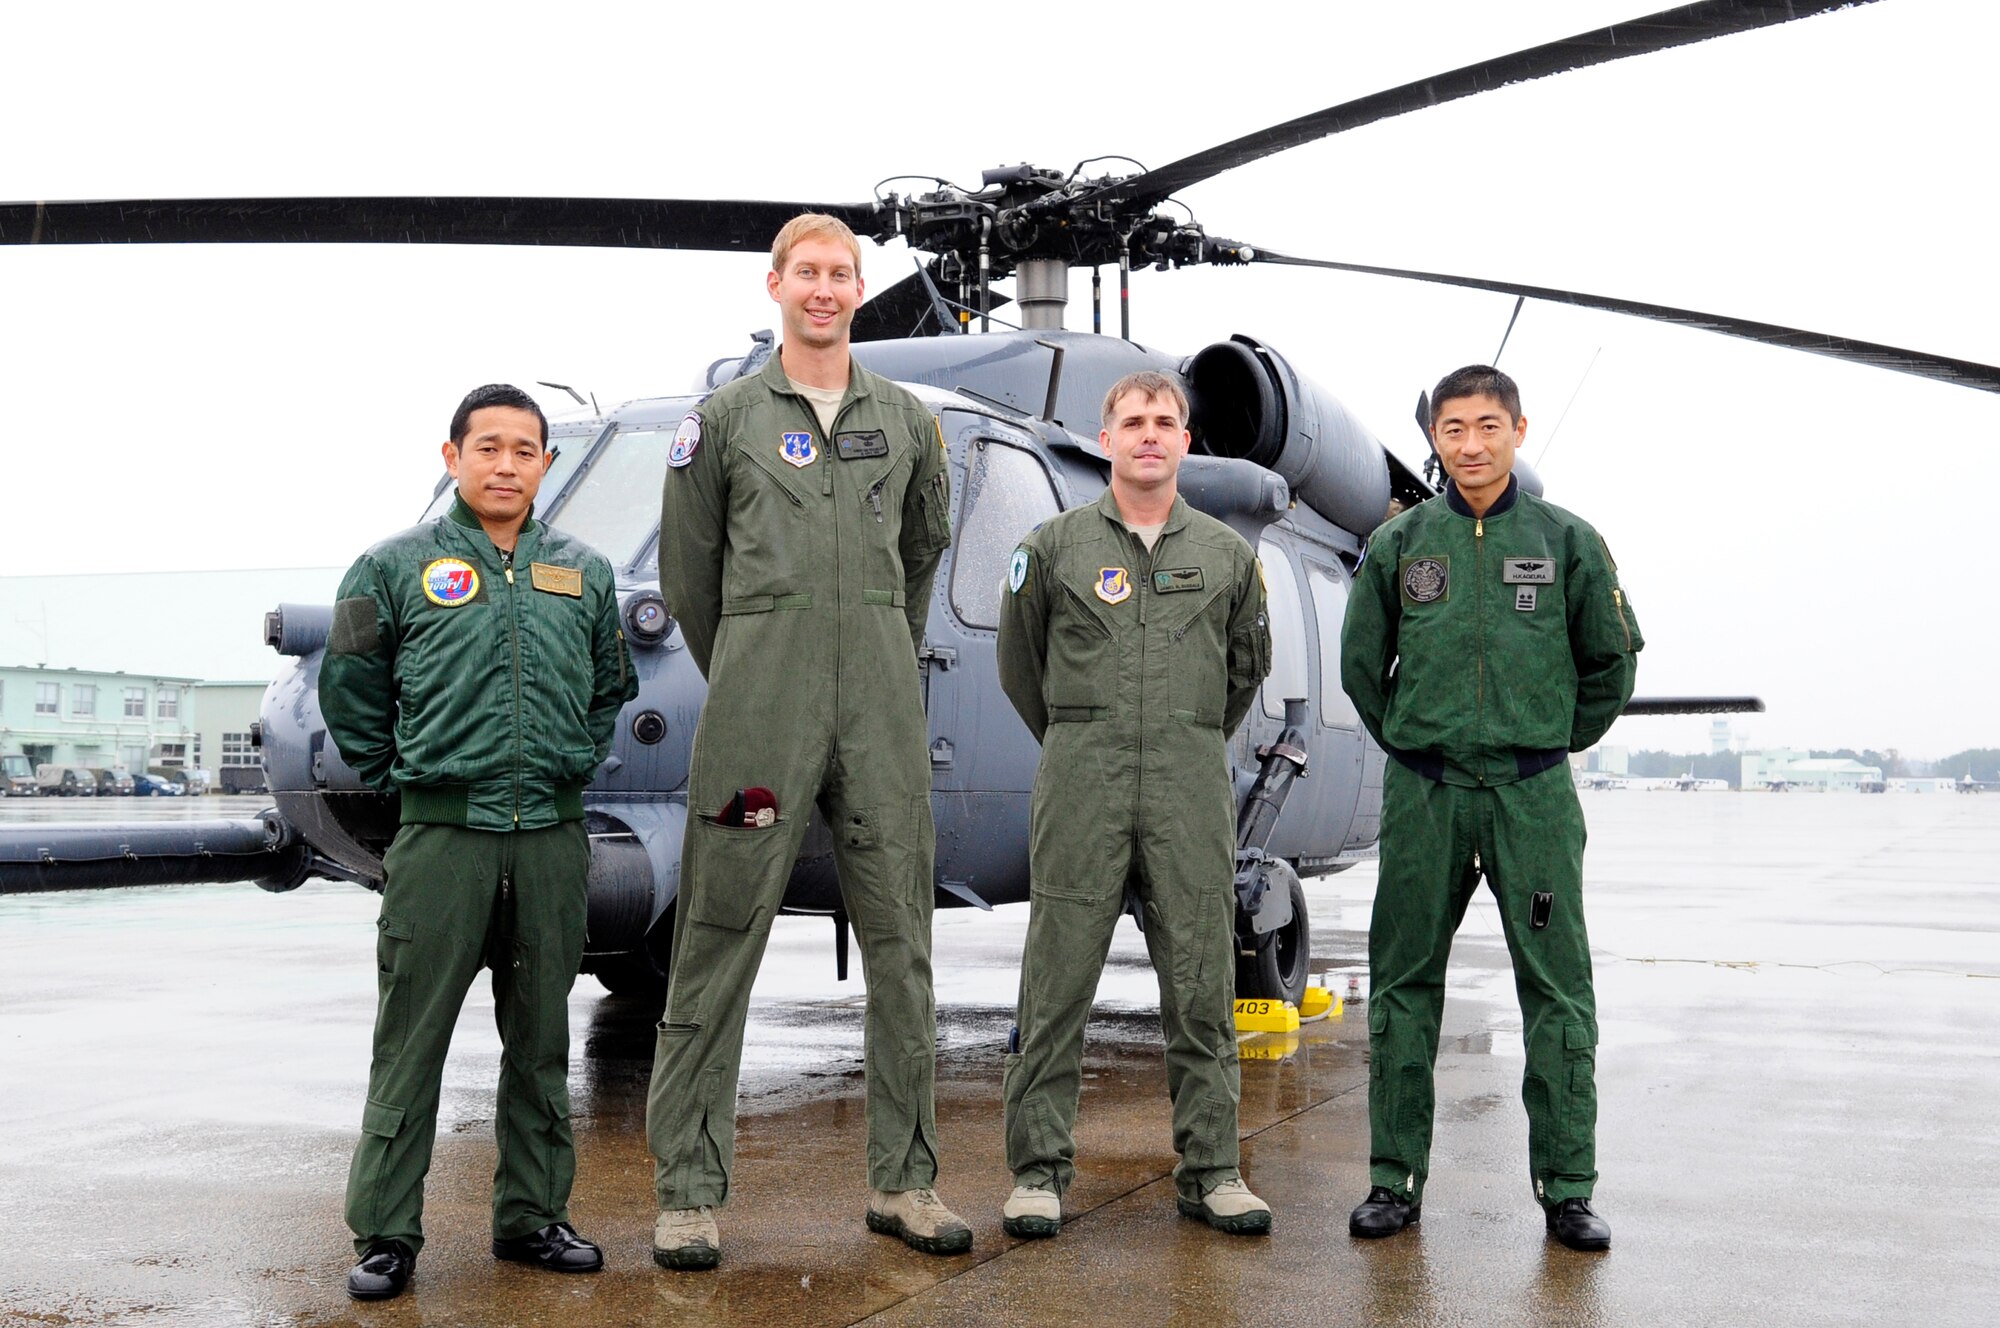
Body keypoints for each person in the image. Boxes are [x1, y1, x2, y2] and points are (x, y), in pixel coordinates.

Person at [647, 213, 962, 1270]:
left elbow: (921, 553)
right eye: (807, 272)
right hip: (758, 705)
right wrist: (756, 657)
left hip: (879, 705)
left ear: (859, 290)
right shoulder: (723, 422)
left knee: (902, 948)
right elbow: (690, 577)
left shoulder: (906, 420)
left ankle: (905, 1182)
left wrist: (873, 645)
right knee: (716, 939)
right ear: (775, 285)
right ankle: (688, 1193)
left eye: (841, 273)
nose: (824, 289)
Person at [321, 383, 638, 1300]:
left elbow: (608, 688)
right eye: (488, 447)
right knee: (411, 1040)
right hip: (442, 839)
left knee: (540, 1041)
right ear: (452, 456)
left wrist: (568, 763)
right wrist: (408, 778)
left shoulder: (584, 572)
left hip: (549, 838)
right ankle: (386, 1233)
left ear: (546, 463)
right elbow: (350, 686)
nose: (506, 465)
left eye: (524, 450)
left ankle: (533, 1217)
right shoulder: (389, 566)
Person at [1338, 364, 1643, 1252]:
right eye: (1453, 429)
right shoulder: (1401, 545)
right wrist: (1418, 742)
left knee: (1557, 991)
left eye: (1487, 427)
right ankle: (1393, 1180)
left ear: (1517, 431)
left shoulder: (1567, 541)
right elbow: (1362, 667)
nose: (1470, 445)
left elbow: (1611, 664)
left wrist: (1542, 742)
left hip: (1531, 799)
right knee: (1402, 987)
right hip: (1426, 797)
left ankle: (1569, 1189)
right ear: (1435, 438)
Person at [994, 370, 1274, 1239]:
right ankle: (1038, 1173)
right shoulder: (1052, 548)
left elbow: (1243, 674)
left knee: (1201, 986)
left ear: (1185, 442)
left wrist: (1184, 735)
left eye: (1164, 421)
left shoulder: (1228, 556)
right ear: (1106, 438)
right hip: (1083, 786)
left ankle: (1212, 1172)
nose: (1149, 434)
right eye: (1133, 421)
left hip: (1190, 792)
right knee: (1055, 988)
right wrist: (1085, 736)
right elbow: (1021, 667)